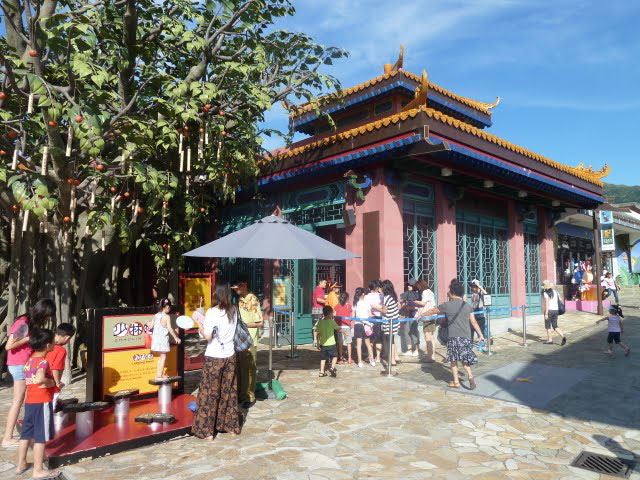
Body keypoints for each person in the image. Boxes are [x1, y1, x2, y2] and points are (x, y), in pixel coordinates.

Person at [2, 298, 55, 448]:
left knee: (24, 399)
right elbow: (9, 346)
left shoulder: (31, 323)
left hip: (23, 364)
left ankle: (25, 432)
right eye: (47, 316)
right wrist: (28, 338)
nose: (47, 319)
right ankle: (7, 437)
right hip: (19, 364)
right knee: (18, 400)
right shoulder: (23, 323)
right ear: (42, 313)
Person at [193, 283, 241, 440]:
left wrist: (199, 322)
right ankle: (230, 427)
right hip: (230, 355)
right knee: (229, 391)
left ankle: (207, 432)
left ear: (217, 295)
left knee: (209, 393)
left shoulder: (212, 312)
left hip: (214, 357)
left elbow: (207, 336)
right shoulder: (234, 310)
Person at [420, 280, 485, 389]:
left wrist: (421, 314)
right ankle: (470, 376)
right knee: (464, 358)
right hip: (466, 336)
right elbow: (473, 322)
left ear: (452, 292)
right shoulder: (467, 306)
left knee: (453, 360)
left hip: (453, 337)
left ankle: (456, 382)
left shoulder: (447, 305)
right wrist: (480, 335)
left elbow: (433, 311)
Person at [16, 327, 61, 478]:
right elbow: (40, 378)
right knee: (40, 437)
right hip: (42, 402)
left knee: (26, 434)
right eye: (53, 342)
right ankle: (38, 470)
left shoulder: (29, 361)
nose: (55, 343)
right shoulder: (42, 362)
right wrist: (50, 382)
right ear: (48, 345)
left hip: (30, 402)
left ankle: (21, 464)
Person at [232, 278, 263, 409]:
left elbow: (259, 322)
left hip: (250, 340)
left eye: (237, 288)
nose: (236, 290)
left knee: (249, 369)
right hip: (239, 339)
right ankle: (241, 394)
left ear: (244, 286)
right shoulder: (240, 299)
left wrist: (244, 325)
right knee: (240, 368)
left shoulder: (253, 300)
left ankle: (249, 397)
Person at [148, 298, 181, 381]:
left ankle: (159, 374)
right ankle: (159, 375)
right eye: (168, 307)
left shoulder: (156, 315)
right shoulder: (166, 317)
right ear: (164, 307)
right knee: (163, 357)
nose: (169, 308)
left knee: (161, 357)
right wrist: (176, 337)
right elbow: (169, 328)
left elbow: (150, 326)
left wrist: (148, 323)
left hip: (155, 340)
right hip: (162, 339)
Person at [46, 323, 76, 410]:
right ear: (67, 338)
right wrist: (57, 383)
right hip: (51, 382)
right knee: (51, 407)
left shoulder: (45, 343)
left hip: (39, 380)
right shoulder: (60, 350)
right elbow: (55, 368)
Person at [414, 279, 437, 362]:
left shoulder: (425, 292)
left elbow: (423, 303)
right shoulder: (430, 291)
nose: (418, 288)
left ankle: (430, 357)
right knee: (431, 336)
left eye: (418, 286)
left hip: (427, 316)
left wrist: (415, 301)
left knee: (427, 337)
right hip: (432, 315)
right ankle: (432, 356)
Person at [379, 280, 401, 367]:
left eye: (381, 287)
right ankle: (396, 357)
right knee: (392, 340)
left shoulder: (387, 297)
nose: (380, 289)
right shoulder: (393, 296)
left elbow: (384, 311)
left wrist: (376, 307)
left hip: (389, 322)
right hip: (395, 321)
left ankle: (392, 360)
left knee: (389, 341)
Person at [353, 287, 374, 368]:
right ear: (363, 294)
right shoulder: (366, 302)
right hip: (366, 325)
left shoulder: (355, 303)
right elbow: (370, 314)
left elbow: (353, 316)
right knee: (368, 343)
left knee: (359, 344)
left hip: (357, 324)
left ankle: (359, 361)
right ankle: (372, 360)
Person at [316, 306, 340, 377]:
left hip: (323, 344)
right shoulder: (332, 322)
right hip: (331, 344)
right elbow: (338, 328)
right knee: (335, 356)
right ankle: (332, 367)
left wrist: (318, 343)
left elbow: (318, 334)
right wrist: (344, 332)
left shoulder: (320, 322)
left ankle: (321, 372)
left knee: (323, 359)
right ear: (330, 313)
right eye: (332, 312)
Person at [542, 280, 567, 346]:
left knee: (548, 326)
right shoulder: (556, 292)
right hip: (556, 310)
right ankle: (563, 337)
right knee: (555, 326)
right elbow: (560, 300)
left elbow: (547, 304)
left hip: (549, 311)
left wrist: (546, 313)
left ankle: (550, 340)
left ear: (545, 286)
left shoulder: (545, 293)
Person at [399, 280, 420, 356]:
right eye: (408, 285)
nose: (409, 286)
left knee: (414, 332)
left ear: (414, 286)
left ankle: (417, 350)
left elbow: (419, 307)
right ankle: (409, 350)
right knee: (406, 331)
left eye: (410, 285)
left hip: (414, 315)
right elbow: (402, 301)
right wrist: (402, 303)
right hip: (407, 315)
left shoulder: (417, 294)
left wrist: (411, 308)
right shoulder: (406, 294)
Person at [365, 280, 384, 365]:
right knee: (379, 338)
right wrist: (378, 307)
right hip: (380, 318)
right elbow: (384, 306)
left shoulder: (367, 296)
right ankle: (378, 357)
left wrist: (373, 307)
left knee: (370, 338)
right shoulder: (381, 295)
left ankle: (370, 356)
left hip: (370, 318)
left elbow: (367, 308)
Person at [334, 292, 353, 364]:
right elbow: (352, 314)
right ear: (347, 298)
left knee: (340, 343)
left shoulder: (337, 306)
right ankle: (349, 358)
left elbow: (334, 316)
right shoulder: (349, 306)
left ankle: (340, 358)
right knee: (349, 342)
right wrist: (349, 320)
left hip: (339, 327)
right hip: (347, 327)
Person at [470, 280, 487, 346]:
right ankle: (470, 343)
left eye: (474, 287)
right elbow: (473, 303)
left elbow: (486, 294)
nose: (473, 288)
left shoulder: (480, 292)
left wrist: (479, 286)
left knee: (481, 331)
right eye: (472, 287)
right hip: (474, 312)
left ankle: (482, 344)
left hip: (480, 314)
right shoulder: (472, 293)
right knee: (471, 329)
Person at [312, 279, 328, 346]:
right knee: (319, 325)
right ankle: (317, 341)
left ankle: (315, 340)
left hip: (316, 309)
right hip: (319, 309)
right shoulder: (319, 289)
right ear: (320, 282)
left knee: (316, 325)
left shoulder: (318, 289)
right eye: (324, 283)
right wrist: (327, 301)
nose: (325, 284)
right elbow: (318, 299)